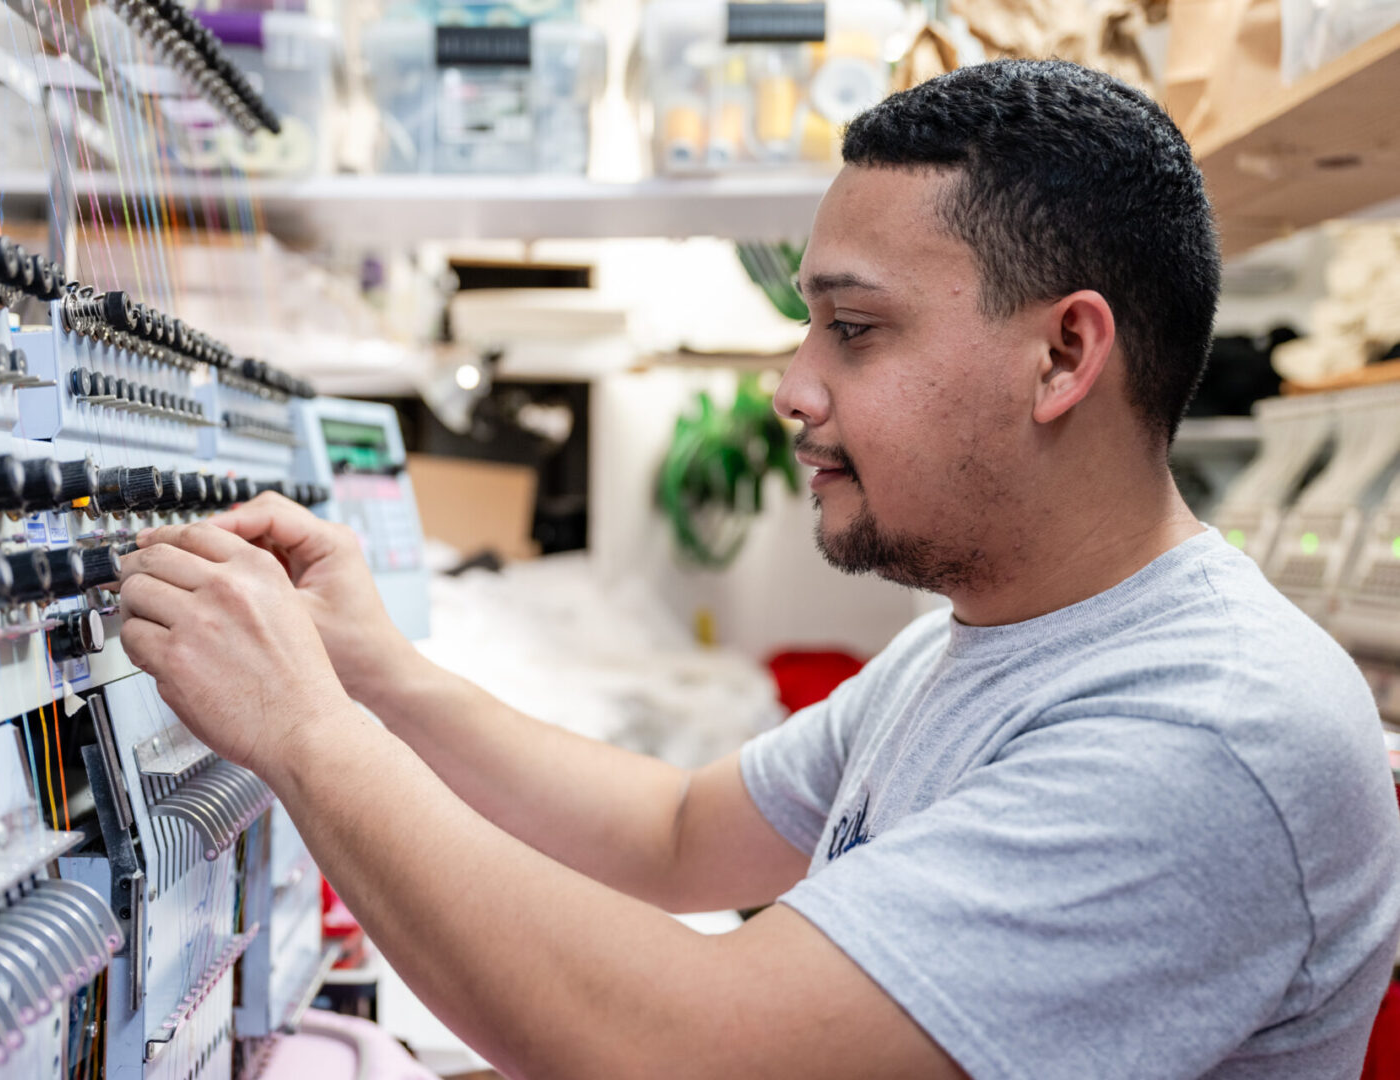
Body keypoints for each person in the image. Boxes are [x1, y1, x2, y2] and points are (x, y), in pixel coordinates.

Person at [116, 59, 1400, 1079]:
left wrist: (308, 735)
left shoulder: (1206, 733)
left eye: (852, 331)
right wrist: (378, 675)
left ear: (1063, 357)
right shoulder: (987, 637)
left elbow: (682, 1049)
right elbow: (676, 836)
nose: (792, 389)